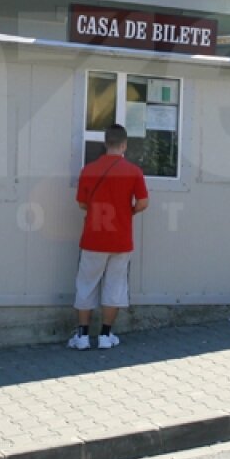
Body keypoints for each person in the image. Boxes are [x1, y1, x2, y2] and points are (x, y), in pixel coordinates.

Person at [69, 124, 149, 350]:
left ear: (106, 143)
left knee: (86, 285)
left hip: (93, 239)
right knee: (115, 286)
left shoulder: (89, 170)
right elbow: (143, 202)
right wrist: (128, 212)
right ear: (124, 145)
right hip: (121, 240)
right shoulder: (134, 171)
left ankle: (82, 336)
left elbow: (82, 203)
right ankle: (105, 336)